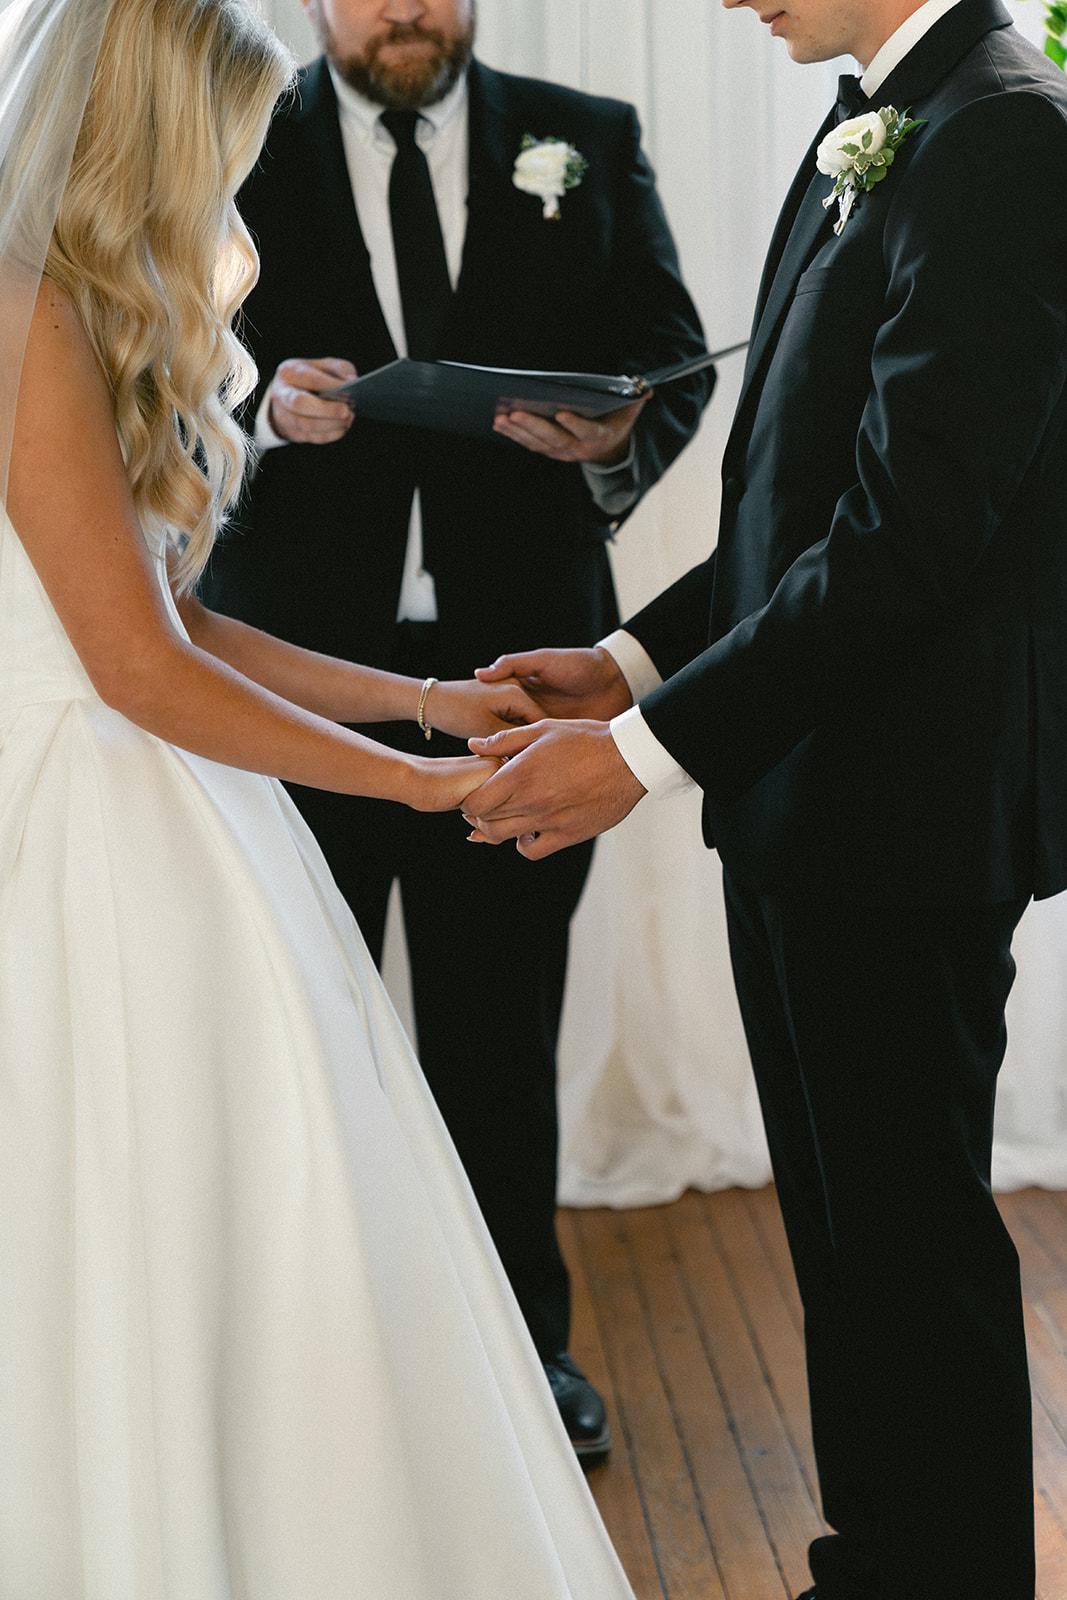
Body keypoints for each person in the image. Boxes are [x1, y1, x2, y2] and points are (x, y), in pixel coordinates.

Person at [0, 0, 641, 1591]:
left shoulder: (71, 309)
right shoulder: (25, 315)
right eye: (221, 146)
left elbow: (180, 618)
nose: (233, 185)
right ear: (154, 126)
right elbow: (137, 672)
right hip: (88, 829)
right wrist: (416, 789)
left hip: (160, 803)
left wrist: (424, 700)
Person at [462, 0, 1067, 1593]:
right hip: (808, 795)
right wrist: (628, 661)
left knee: (908, 1253)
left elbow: (906, 532)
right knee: (849, 1251)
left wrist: (646, 759)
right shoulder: (878, 115)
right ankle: (881, 1563)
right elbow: (792, 492)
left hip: (911, 812)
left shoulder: (1004, 128)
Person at [202, 0, 713, 1457]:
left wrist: (614, 434)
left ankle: (520, 1360)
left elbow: (670, 362)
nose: (406, 9)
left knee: (500, 1034)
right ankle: (319, 1372)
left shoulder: (585, 139)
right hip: (290, 676)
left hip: (521, 675)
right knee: (304, 1030)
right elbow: (148, 367)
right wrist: (253, 409)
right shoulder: (237, 125)